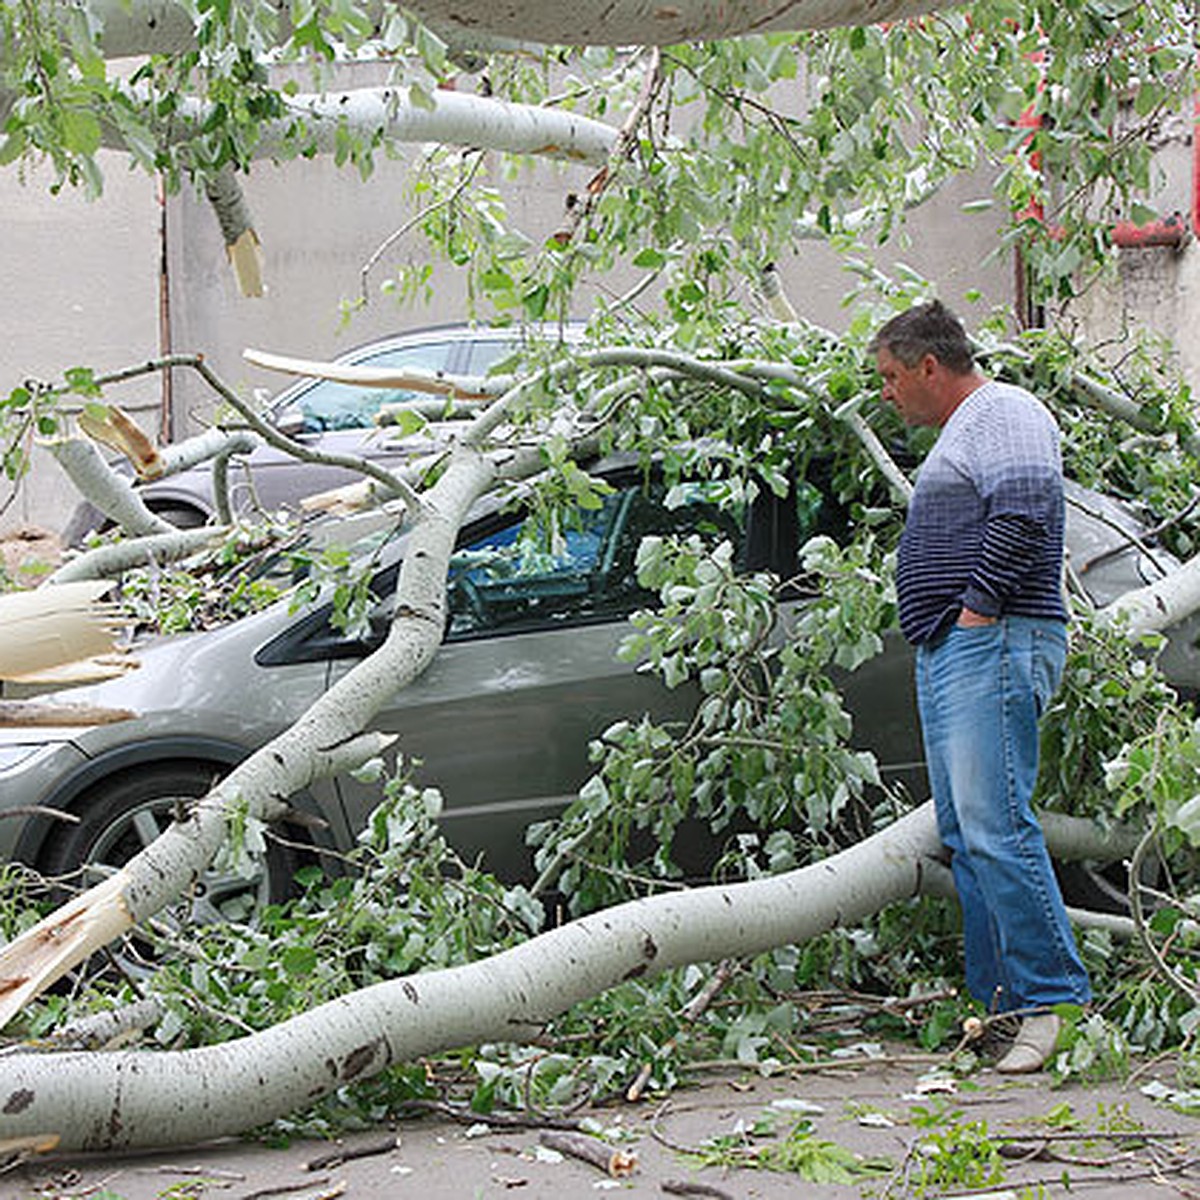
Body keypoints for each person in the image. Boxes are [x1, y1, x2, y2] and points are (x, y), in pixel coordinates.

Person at [869, 300, 1090, 1074]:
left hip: (991, 642)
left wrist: (975, 612)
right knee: (967, 838)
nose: (889, 394)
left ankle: (1054, 1004)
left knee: (998, 828)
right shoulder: (964, 431)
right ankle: (996, 1008)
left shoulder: (1004, 410)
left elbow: (1026, 510)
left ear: (931, 365)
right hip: (957, 649)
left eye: (894, 377)